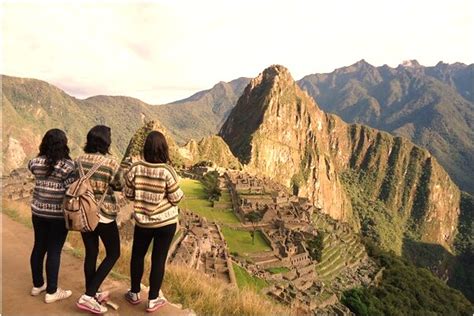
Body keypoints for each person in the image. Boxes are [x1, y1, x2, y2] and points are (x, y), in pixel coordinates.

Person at [123, 131, 184, 312]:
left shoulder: (135, 168)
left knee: (137, 256)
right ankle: (153, 299)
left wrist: (142, 194)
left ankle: (134, 293)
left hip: (143, 223)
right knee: (158, 259)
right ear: (164, 149)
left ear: (146, 148)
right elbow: (176, 198)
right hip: (166, 223)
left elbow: (128, 194)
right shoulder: (167, 171)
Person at [75, 125, 123, 314]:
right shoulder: (111, 163)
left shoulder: (78, 160)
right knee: (113, 253)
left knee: (91, 253)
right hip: (103, 215)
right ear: (106, 142)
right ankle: (88, 295)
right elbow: (119, 185)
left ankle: (92, 293)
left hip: (83, 214)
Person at [28, 128, 75, 303]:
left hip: (38, 211)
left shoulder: (35, 162)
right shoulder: (68, 166)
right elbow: (71, 188)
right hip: (57, 215)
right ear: (64, 145)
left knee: (39, 246)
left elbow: (31, 167)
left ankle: (37, 284)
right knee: (54, 250)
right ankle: (52, 291)